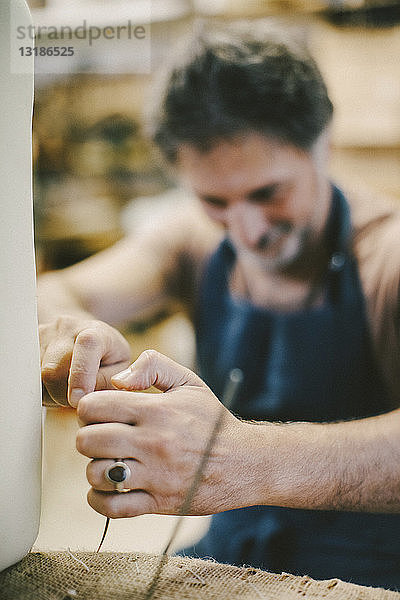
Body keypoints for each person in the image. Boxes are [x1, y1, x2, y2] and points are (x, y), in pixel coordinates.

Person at [38, 23, 400, 589]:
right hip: (232, 558)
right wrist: (72, 335)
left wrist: (243, 460)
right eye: (215, 200)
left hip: (368, 577)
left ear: (323, 142)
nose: (247, 230)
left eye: (268, 193)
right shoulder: (193, 242)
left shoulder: (386, 258)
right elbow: (56, 295)